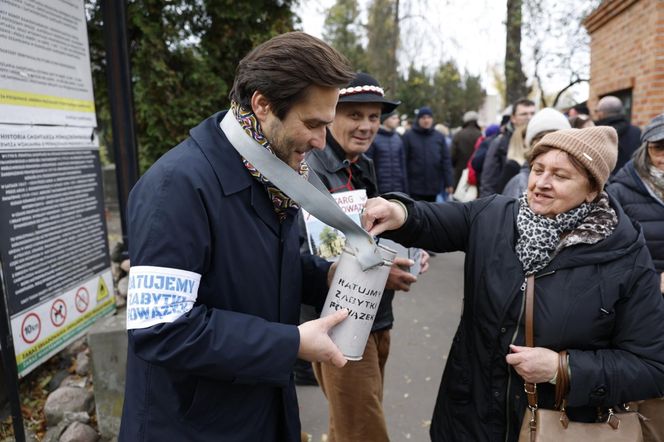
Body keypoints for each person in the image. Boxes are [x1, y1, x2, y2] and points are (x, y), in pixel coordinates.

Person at [119, 32, 357, 441]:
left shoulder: (270, 169)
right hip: (192, 426)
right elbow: (162, 328)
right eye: (313, 124)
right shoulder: (177, 185)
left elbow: (255, 267)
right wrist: (290, 343)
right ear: (263, 105)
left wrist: (329, 277)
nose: (321, 141)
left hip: (256, 413)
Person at [361, 126, 664, 441]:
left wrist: (563, 368)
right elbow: (432, 219)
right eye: (538, 169)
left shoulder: (623, 255)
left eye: (560, 176)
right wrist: (398, 211)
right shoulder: (494, 215)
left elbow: (652, 366)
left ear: (592, 190)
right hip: (469, 419)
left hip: (558, 427)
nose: (541, 184)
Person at [304, 72, 428, 442]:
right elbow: (320, 257)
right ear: (331, 116)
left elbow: (371, 235)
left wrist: (409, 252)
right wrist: (381, 270)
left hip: (375, 316)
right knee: (364, 431)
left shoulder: (362, 165)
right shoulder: (311, 170)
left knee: (348, 424)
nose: (366, 126)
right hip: (341, 323)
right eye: (354, 115)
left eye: (373, 117)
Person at [608, 113, 664, 442]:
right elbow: (612, 255)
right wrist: (651, 276)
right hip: (641, 308)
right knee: (648, 390)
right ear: (645, 150)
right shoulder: (621, 190)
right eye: (659, 148)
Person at [502, 108, 571, 198]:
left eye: (558, 139)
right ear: (532, 145)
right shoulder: (519, 184)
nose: (551, 145)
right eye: (543, 138)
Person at [479, 98, 536, 197]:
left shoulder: (540, 140)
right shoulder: (500, 142)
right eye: (524, 114)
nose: (529, 117)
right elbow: (488, 181)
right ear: (513, 118)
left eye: (532, 113)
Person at [403, 106, 454, 201]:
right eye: (423, 118)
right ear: (418, 119)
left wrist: (449, 182)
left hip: (433, 186)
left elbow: (446, 161)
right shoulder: (408, 136)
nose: (426, 120)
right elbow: (403, 162)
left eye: (428, 117)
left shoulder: (439, 137)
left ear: (432, 119)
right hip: (414, 187)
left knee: (430, 214)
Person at [594, 95, 641, 174]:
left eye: (596, 111)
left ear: (601, 113)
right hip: (631, 180)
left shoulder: (595, 132)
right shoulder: (637, 131)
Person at [366, 109, 409, 194]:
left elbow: (402, 165)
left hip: (398, 189)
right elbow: (368, 166)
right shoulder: (373, 138)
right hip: (380, 190)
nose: (397, 120)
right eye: (394, 118)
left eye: (397, 118)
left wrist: (405, 189)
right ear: (385, 119)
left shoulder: (398, 138)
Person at [450, 111, 482, 188]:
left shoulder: (458, 135)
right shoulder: (480, 135)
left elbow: (452, 155)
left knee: (459, 196)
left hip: (459, 172)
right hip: (476, 174)